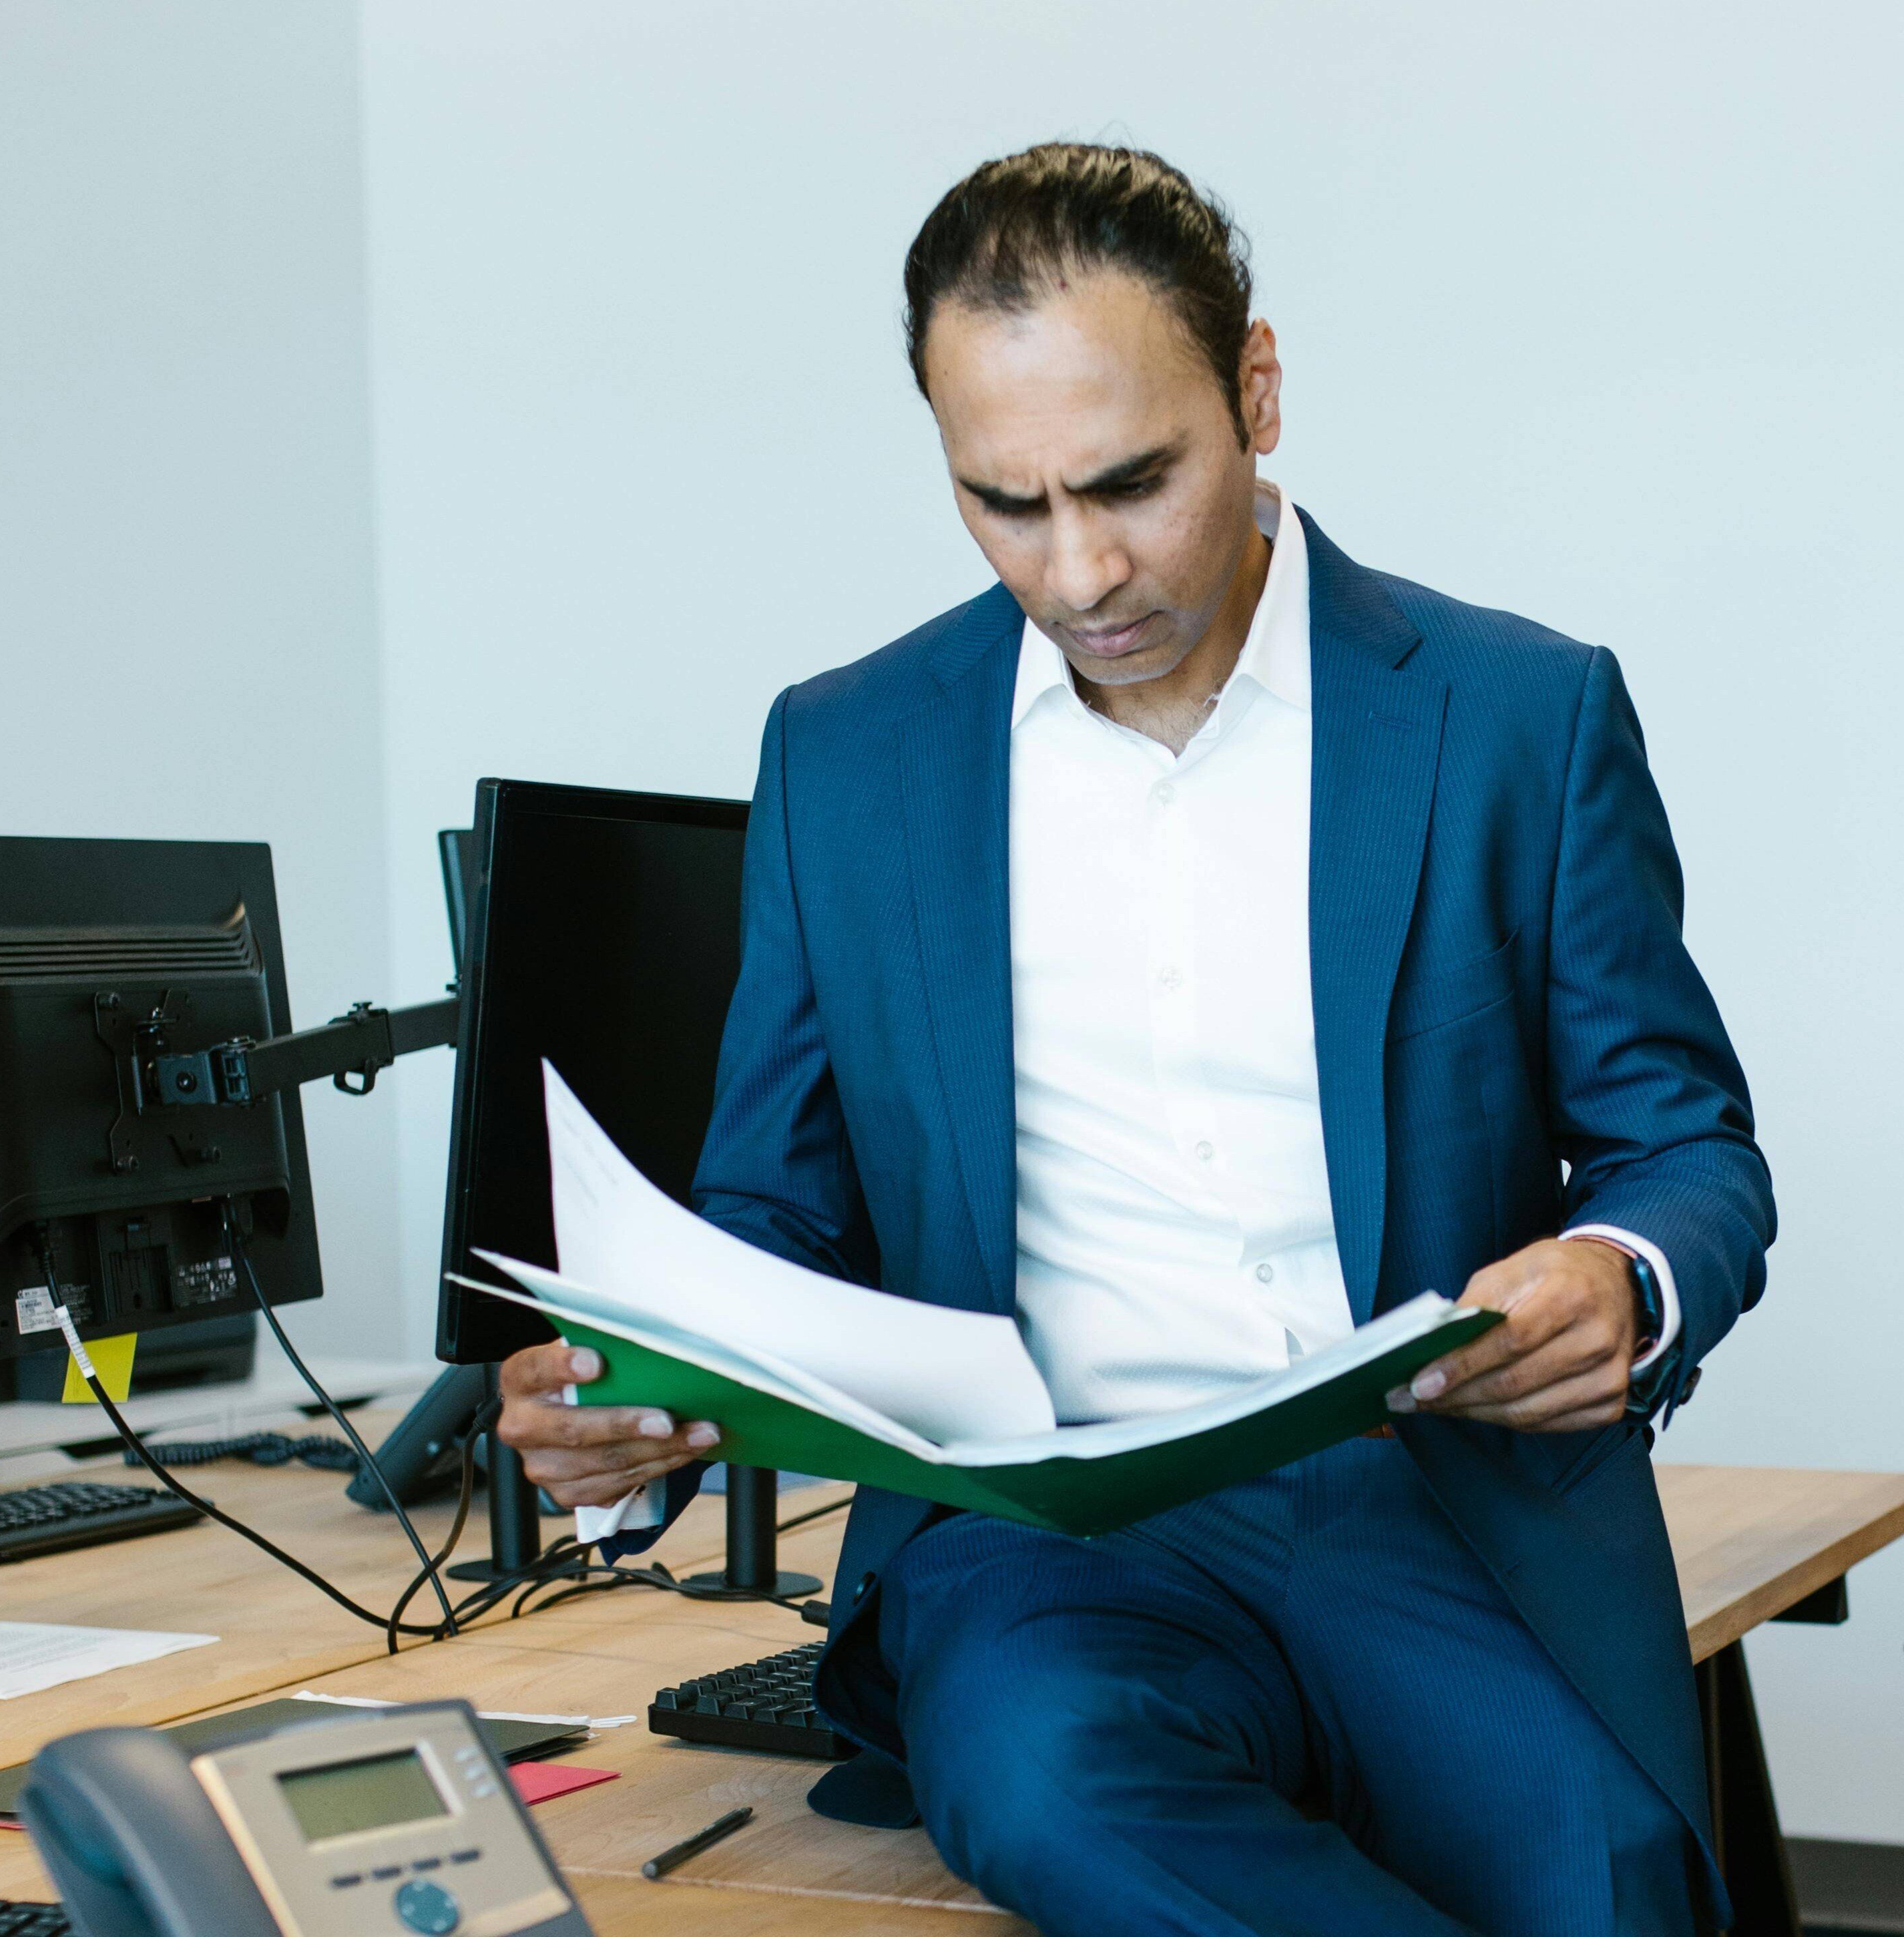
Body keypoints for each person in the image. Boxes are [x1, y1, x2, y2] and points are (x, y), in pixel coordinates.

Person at [496, 143, 1773, 1937]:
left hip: (1427, 1497)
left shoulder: (1516, 716)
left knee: (1609, 1884)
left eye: (1130, 484)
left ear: (1254, 391)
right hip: (1046, 1539)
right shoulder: (849, 753)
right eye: (1003, 503)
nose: (1081, 569)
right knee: (1049, 1788)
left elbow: (1686, 1149)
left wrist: (1623, 1274)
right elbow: (774, 1211)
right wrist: (647, 1379)